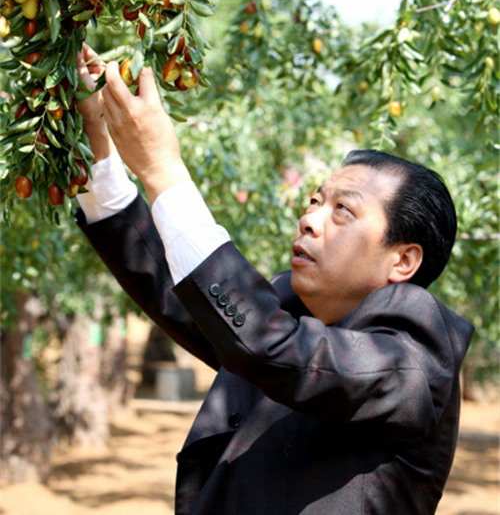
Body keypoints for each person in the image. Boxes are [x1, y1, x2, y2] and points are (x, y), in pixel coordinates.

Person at [75, 44, 474, 514]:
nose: (309, 219)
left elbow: (270, 345)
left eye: (343, 210)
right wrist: (98, 149)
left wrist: (163, 169)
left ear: (402, 261)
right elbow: (184, 292)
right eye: (315, 201)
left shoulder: (416, 360)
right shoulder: (292, 317)